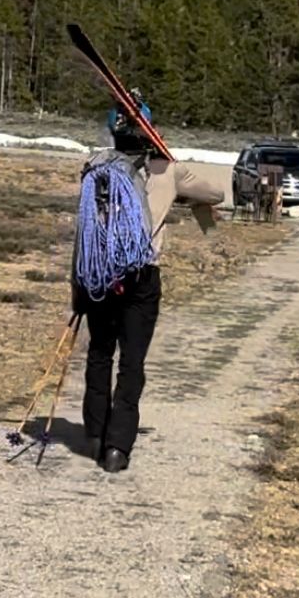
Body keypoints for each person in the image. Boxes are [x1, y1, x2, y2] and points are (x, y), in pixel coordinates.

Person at [80, 152, 223, 473]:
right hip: (141, 275)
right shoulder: (170, 170)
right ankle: (117, 447)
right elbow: (216, 195)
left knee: (100, 353)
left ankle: (94, 435)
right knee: (132, 361)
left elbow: (85, 221)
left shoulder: (95, 164)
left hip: (100, 272)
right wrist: (181, 191)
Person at [107, 87, 151, 153]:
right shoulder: (116, 110)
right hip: (125, 139)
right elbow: (113, 127)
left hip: (137, 139)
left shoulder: (142, 108)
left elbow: (146, 119)